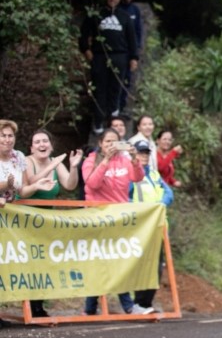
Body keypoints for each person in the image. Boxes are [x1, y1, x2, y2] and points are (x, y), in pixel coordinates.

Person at [81, 129, 152, 315]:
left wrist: (135, 159)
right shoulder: (91, 160)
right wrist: (105, 161)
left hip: (119, 220)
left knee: (118, 262)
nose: (111, 145)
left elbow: (138, 178)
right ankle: (94, 307)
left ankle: (121, 306)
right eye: (107, 142)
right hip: (96, 220)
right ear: (100, 143)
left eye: (115, 141)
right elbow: (92, 184)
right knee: (99, 263)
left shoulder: (124, 160)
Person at [24, 129, 83, 316]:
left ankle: (38, 306)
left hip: (46, 222)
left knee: (42, 263)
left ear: (51, 144)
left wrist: (73, 167)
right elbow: (28, 185)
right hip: (24, 221)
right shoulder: (27, 161)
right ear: (32, 148)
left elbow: (70, 185)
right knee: (27, 263)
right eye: (38, 142)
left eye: (45, 141)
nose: (42, 145)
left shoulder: (56, 162)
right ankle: (28, 306)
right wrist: (51, 167)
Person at [79, 0, 140, 135]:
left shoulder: (124, 16)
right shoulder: (96, 14)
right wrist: (86, 49)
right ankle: (98, 121)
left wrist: (133, 57)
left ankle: (113, 121)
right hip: (99, 56)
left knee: (116, 89)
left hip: (120, 57)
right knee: (100, 89)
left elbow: (132, 39)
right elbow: (83, 34)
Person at [129, 140, 173, 313]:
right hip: (139, 228)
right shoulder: (131, 175)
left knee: (156, 266)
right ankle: (138, 302)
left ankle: (146, 303)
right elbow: (126, 197)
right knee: (142, 265)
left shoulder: (154, 174)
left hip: (158, 227)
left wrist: (159, 204)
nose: (144, 156)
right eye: (141, 153)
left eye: (146, 153)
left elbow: (169, 193)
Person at [0, 120, 53, 208]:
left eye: (10, 136)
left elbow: (22, 191)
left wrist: (36, 186)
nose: (7, 140)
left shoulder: (19, 156)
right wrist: (6, 185)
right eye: (3, 136)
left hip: (10, 215)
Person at [117, 0, 144, 116]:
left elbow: (139, 32)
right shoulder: (117, 9)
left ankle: (121, 107)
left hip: (129, 52)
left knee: (127, 80)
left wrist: (136, 54)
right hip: (117, 51)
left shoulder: (135, 10)